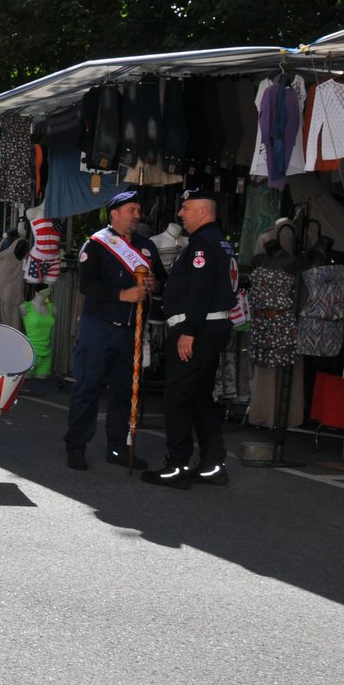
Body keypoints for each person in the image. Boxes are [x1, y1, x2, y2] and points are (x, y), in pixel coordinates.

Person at [142, 189, 238, 489]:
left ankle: (177, 465)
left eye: (186, 208)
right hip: (210, 329)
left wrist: (188, 331)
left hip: (198, 330)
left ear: (203, 211)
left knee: (179, 397)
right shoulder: (219, 242)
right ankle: (212, 464)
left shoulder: (203, 245)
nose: (181, 214)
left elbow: (200, 291)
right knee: (199, 397)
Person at [63, 190, 164, 470]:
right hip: (99, 326)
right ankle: (76, 446)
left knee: (124, 390)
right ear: (115, 214)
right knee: (88, 386)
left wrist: (154, 285)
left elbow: (161, 281)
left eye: (138, 210)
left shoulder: (147, 246)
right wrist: (123, 295)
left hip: (132, 329)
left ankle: (118, 447)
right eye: (131, 210)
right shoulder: (96, 245)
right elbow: (87, 285)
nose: (137, 215)